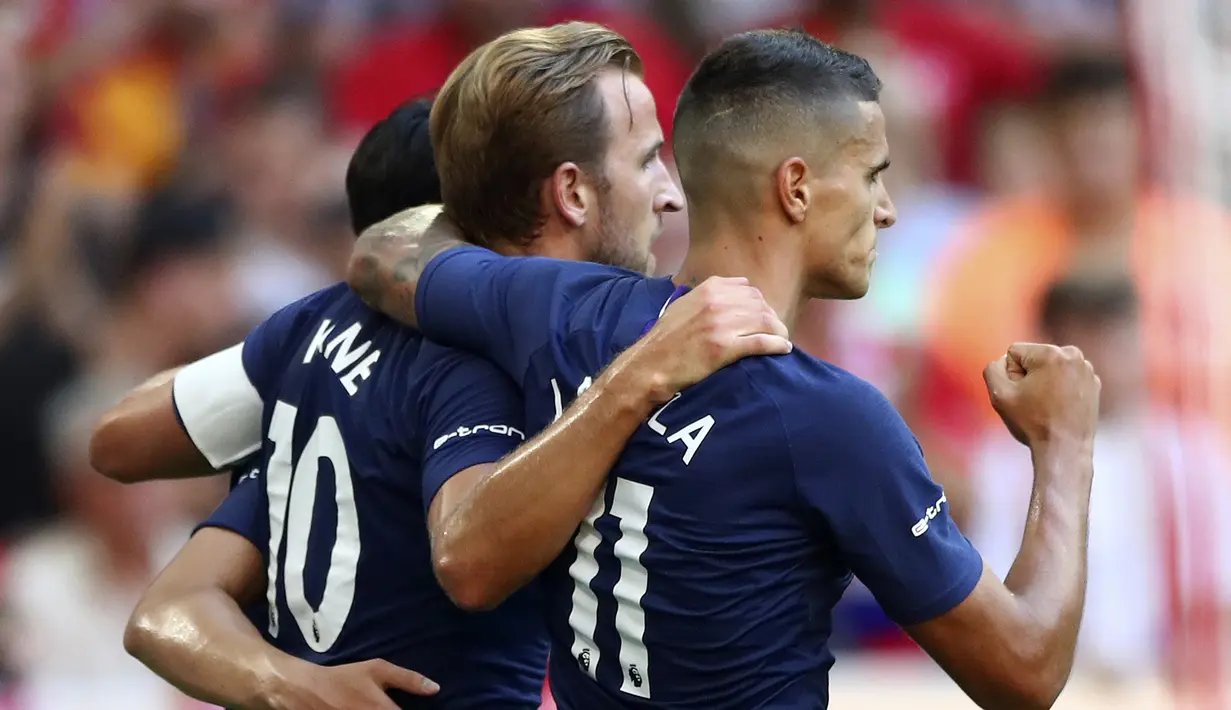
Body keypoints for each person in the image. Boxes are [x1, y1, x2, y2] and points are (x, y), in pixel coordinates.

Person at [348, 27, 1102, 709]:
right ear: (796, 187)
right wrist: (1063, 446)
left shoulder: (558, 307)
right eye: (872, 174)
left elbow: (382, 251)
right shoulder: (829, 417)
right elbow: (1024, 672)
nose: (887, 209)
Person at [93, 55, 788, 710]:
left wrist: (289, 684)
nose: (666, 196)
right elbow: (468, 559)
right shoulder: (480, 362)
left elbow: (162, 596)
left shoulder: (308, 345)